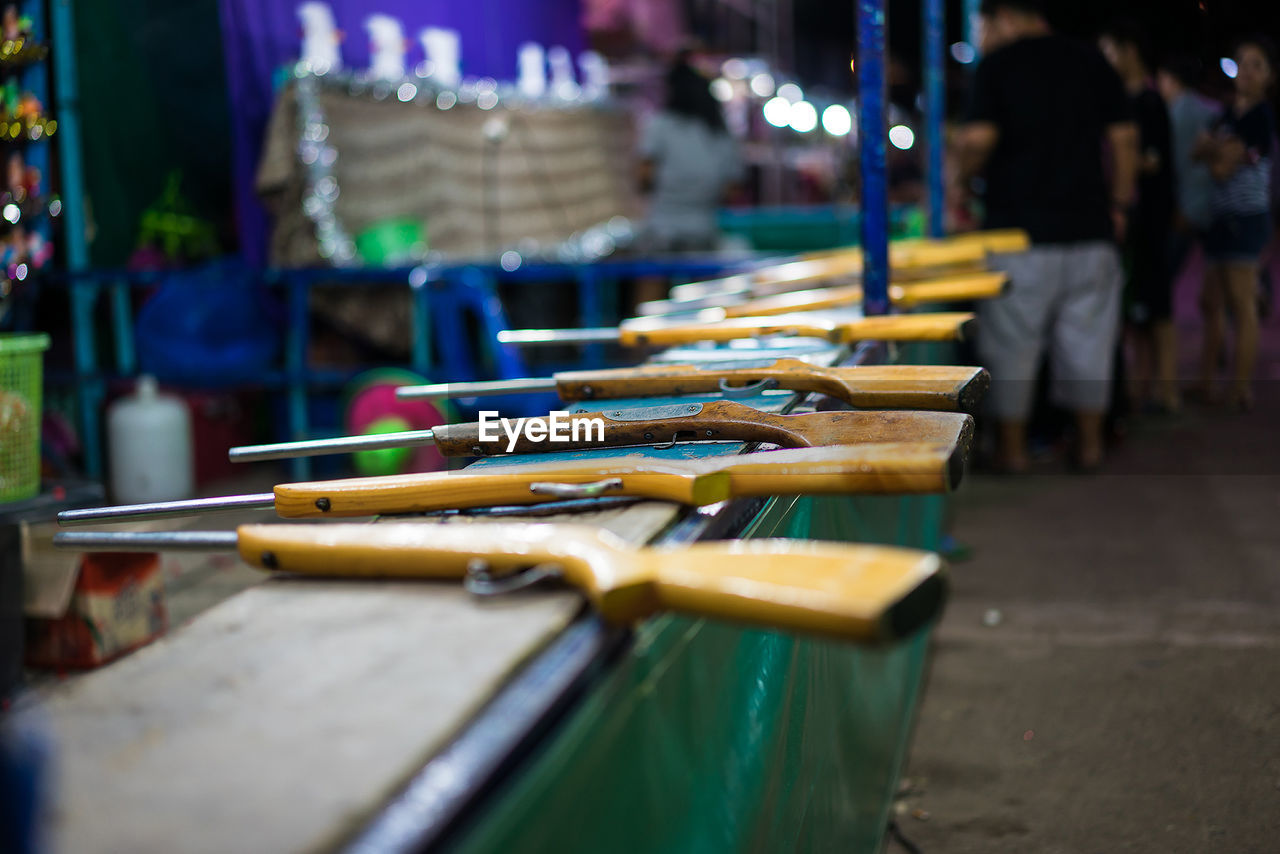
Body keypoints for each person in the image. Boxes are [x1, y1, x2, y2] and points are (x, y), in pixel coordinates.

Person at [953, 0, 1138, 472]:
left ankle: (1013, 454)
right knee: (1089, 342)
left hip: (1019, 237)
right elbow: (1123, 139)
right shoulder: (1091, 60)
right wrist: (1119, 204)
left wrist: (957, 179)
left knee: (1012, 346)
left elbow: (977, 142)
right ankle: (1090, 446)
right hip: (1090, 231)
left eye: (987, 23)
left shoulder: (997, 66)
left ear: (1006, 16)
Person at [1193, 35, 1277, 411]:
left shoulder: (1261, 117)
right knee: (1211, 301)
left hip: (1246, 220)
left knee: (1242, 304)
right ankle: (1206, 382)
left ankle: (1239, 388)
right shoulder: (1228, 115)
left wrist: (1214, 151)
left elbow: (1222, 166)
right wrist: (1216, 152)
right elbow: (1202, 153)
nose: (1245, 70)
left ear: (1270, 76)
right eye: (1241, 61)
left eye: (1256, 64)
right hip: (1220, 218)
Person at [1099, 22, 1178, 414]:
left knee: (1157, 309)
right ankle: (1142, 389)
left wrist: (1118, 163)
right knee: (1138, 312)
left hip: (1149, 221)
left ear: (1128, 50)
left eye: (1109, 50)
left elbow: (1154, 161)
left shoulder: (1148, 101)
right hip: (1134, 221)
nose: (1105, 59)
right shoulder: (1126, 99)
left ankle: (1167, 392)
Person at [636, 53, 741, 254]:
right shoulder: (720, 131)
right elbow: (732, 188)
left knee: (651, 276)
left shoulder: (660, 125)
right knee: (701, 284)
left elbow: (644, 175)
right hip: (705, 230)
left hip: (661, 227)